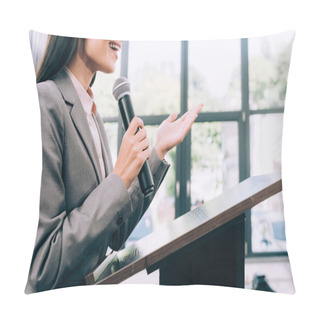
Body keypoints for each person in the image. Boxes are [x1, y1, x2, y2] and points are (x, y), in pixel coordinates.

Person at [25, 35, 203, 293]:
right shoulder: (46, 101)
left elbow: (113, 235)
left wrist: (158, 150)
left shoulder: (92, 115)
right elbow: (43, 264)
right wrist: (118, 178)